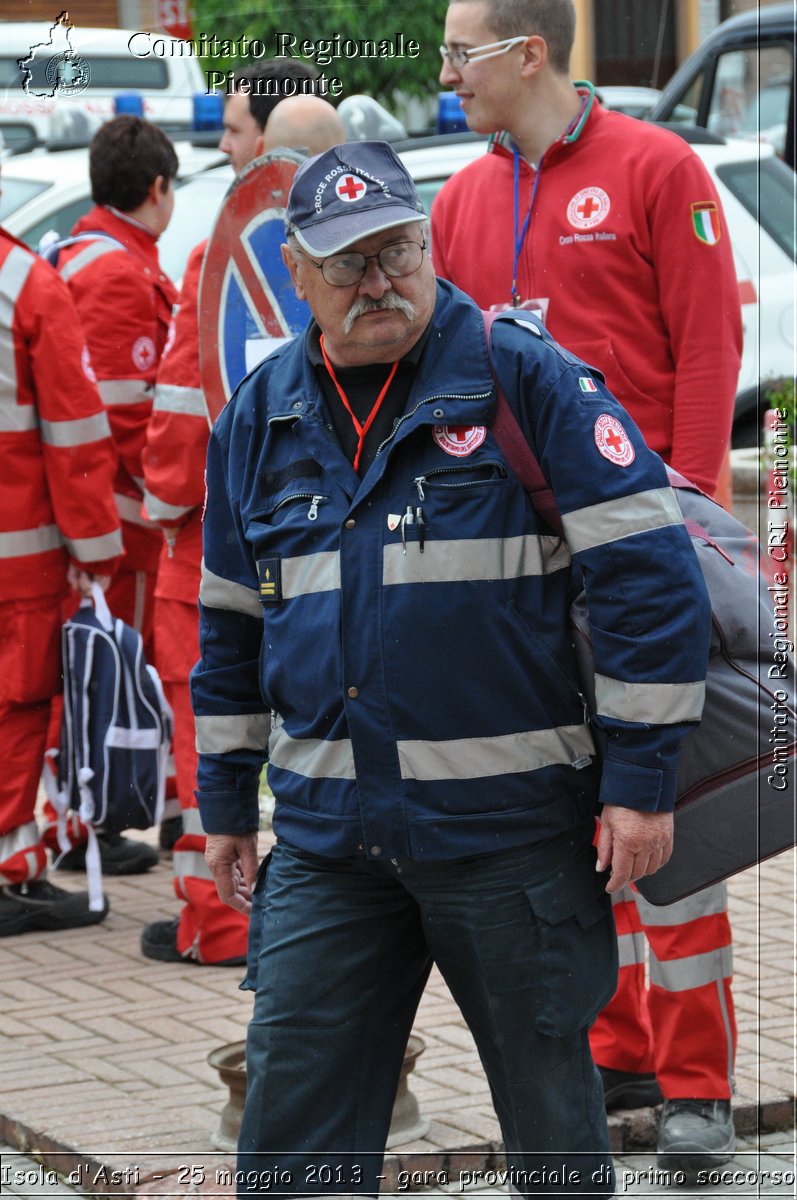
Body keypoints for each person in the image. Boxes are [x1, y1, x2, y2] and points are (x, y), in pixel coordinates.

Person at [190, 139, 712, 1194]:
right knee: (290, 1148)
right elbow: (230, 630)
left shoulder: (524, 378)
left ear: (428, 244)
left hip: (508, 844)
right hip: (331, 849)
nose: (377, 281)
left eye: (396, 251)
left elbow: (650, 581)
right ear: (295, 273)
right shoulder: (259, 417)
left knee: (556, 1143)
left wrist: (640, 785)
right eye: (346, 263)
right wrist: (223, 808)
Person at [431, 0, 743, 1170]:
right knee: (570, 812)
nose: (444, 71)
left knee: (670, 800)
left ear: (525, 52)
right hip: (514, 568)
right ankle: (616, 1050)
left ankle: (697, 1086)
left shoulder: (658, 167)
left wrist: (696, 521)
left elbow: (708, 344)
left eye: (460, 52)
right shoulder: (459, 200)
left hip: (641, 556)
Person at [138, 74, 343, 966]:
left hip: (211, 553)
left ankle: (217, 921)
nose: (224, 149)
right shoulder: (371, 253)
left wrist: (155, 501)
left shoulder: (220, 257)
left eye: (232, 133)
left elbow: (189, 422)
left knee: (211, 736)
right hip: (326, 553)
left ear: (269, 145)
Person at [39, 114, 180, 877]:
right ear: (158, 188)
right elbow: (123, 416)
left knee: (104, 673)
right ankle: (85, 825)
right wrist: (169, 498)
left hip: (100, 518)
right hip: (122, 524)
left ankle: (119, 809)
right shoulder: (118, 274)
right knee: (98, 676)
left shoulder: (82, 252)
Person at [0, 217, 123, 936]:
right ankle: (12, 871)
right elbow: (74, 427)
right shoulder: (24, 282)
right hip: (19, 549)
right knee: (17, 706)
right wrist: (95, 548)